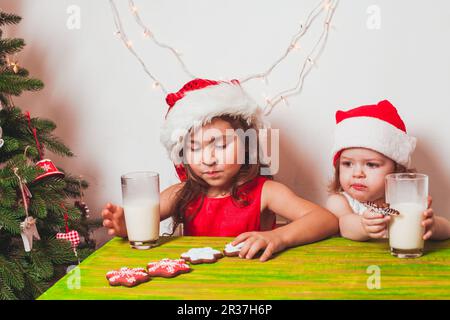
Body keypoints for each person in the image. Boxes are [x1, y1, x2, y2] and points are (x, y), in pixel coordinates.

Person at [102, 78, 338, 261]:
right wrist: (126, 226)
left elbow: (326, 220)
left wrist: (278, 237)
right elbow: (143, 223)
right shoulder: (181, 193)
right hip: (199, 288)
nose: (208, 159)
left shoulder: (267, 192)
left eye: (222, 145)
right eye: (194, 148)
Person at [326, 100, 450, 241]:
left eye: (371, 165)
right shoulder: (339, 201)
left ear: (396, 170)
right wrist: (363, 225)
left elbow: (447, 229)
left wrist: (432, 226)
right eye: (347, 163)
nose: (357, 174)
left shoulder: (404, 199)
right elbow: (345, 225)